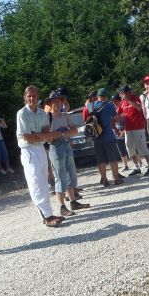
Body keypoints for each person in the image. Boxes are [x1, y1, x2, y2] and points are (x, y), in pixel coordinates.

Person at [16, 85, 64, 227]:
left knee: (44, 182)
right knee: (36, 183)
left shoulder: (43, 114)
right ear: (25, 97)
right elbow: (26, 137)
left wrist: (37, 135)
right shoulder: (22, 114)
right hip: (29, 151)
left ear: (38, 97)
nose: (32, 98)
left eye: (34, 96)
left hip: (41, 149)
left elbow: (48, 135)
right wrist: (41, 136)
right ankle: (47, 216)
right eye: (29, 96)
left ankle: (48, 213)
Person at [48, 91, 91, 216]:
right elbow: (48, 136)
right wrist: (62, 134)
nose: (57, 102)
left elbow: (74, 130)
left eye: (59, 100)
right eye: (54, 100)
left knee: (71, 173)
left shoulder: (65, 115)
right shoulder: (48, 117)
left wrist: (61, 134)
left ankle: (73, 202)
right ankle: (62, 207)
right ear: (50, 102)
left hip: (66, 144)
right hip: (55, 147)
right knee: (60, 176)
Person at [117, 85, 149, 177]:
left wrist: (128, 100)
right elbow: (119, 114)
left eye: (123, 93)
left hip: (138, 127)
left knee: (142, 147)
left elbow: (139, 107)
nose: (122, 95)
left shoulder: (135, 98)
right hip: (128, 129)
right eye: (121, 93)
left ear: (128, 92)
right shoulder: (122, 102)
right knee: (129, 148)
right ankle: (137, 167)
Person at [92, 88, 124, 186]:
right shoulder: (109, 106)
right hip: (108, 136)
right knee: (112, 159)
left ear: (98, 96)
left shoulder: (92, 106)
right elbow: (117, 119)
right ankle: (116, 179)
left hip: (96, 136)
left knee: (101, 160)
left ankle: (104, 179)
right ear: (106, 97)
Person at [111, 94, 131, 171]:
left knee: (131, 147)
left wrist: (125, 130)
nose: (114, 103)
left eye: (115, 101)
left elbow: (128, 119)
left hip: (126, 130)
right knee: (121, 149)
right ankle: (126, 165)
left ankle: (139, 163)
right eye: (113, 101)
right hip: (117, 132)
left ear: (119, 100)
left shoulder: (124, 107)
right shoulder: (113, 109)